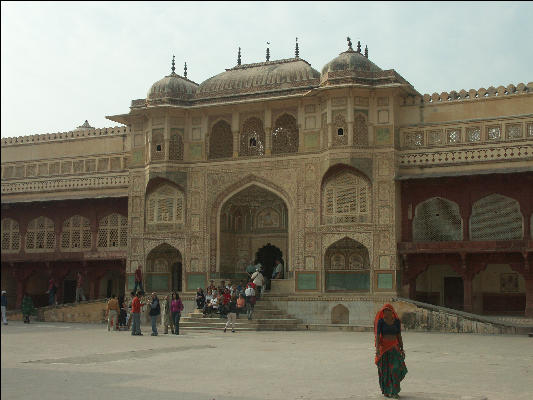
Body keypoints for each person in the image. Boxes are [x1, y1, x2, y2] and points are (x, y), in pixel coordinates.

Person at [374, 303, 407, 399]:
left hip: (394, 347)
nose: (385, 313)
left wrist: (401, 348)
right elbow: (378, 336)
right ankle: (387, 391)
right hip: (384, 348)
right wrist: (377, 350)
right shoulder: (381, 322)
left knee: (395, 369)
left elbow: (399, 335)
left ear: (391, 312)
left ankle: (395, 391)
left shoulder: (397, 322)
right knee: (385, 371)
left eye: (387, 311)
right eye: (384, 311)